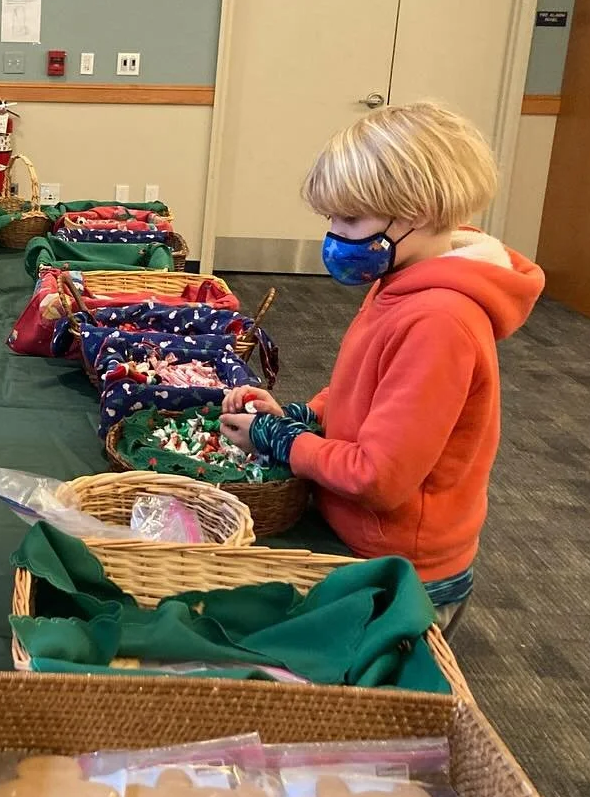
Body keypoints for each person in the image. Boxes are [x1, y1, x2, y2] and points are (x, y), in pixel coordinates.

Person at [219, 102, 544, 628]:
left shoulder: (439, 321)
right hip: (360, 531)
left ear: (415, 213)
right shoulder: (400, 279)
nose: (334, 234)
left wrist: (280, 441)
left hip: (401, 570)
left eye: (349, 218)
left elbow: (378, 478)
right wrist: (301, 416)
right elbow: (364, 390)